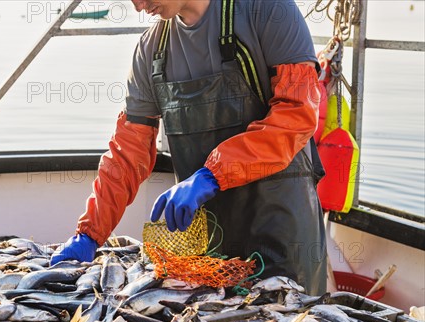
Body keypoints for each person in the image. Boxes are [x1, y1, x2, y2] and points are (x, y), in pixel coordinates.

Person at [51, 0, 328, 296]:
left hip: (281, 230)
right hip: (208, 243)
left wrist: (212, 174)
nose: (139, 6)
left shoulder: (269, 11)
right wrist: (90, 233)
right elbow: (127, 152)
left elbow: (297, 115)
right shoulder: (151, 50)